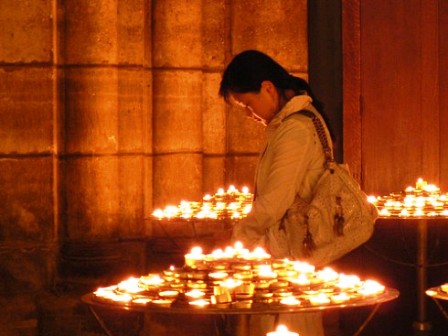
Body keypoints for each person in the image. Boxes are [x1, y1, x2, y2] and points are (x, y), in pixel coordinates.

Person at [219, 49, 335, 336]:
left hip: (289, 257)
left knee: (289, 325)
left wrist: (238, 240)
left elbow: (275, 201)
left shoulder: (295, 129)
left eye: (248, 103)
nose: (248, 113)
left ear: (268, 88)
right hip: (291, 254)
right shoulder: (291, 124)